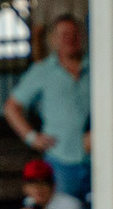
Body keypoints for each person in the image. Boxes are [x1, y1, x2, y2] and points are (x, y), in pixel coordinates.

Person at [6, 12, 93, 198]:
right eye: (64, 35)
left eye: (74, 34)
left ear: (83, 37)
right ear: (53, 40)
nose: (70, 39)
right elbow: (11, 107)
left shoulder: (98, 67)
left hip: (99, 157)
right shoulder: (42, 71)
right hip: (59, 160)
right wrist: (31, 137)